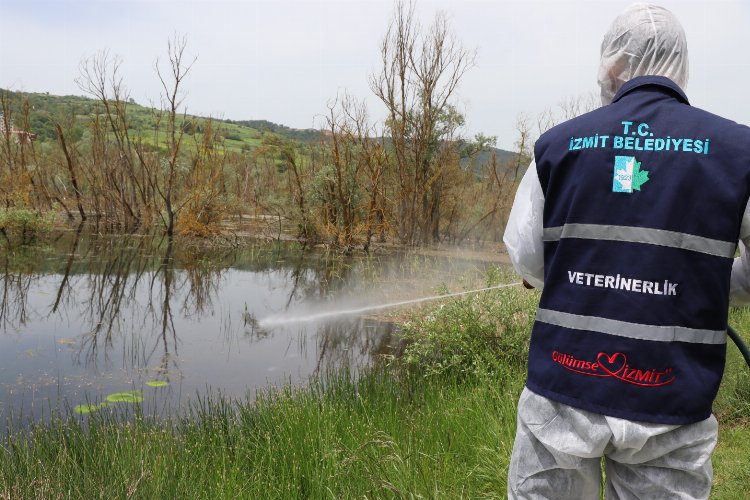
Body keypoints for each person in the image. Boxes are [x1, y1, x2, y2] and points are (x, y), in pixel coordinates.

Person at [503, 3, 750, 498]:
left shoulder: (559, 145)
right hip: (670, 401)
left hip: (564, 392)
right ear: (681, 65)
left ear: (613, 65)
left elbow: (527, 254)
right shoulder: (737, 152)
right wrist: (688, 280)